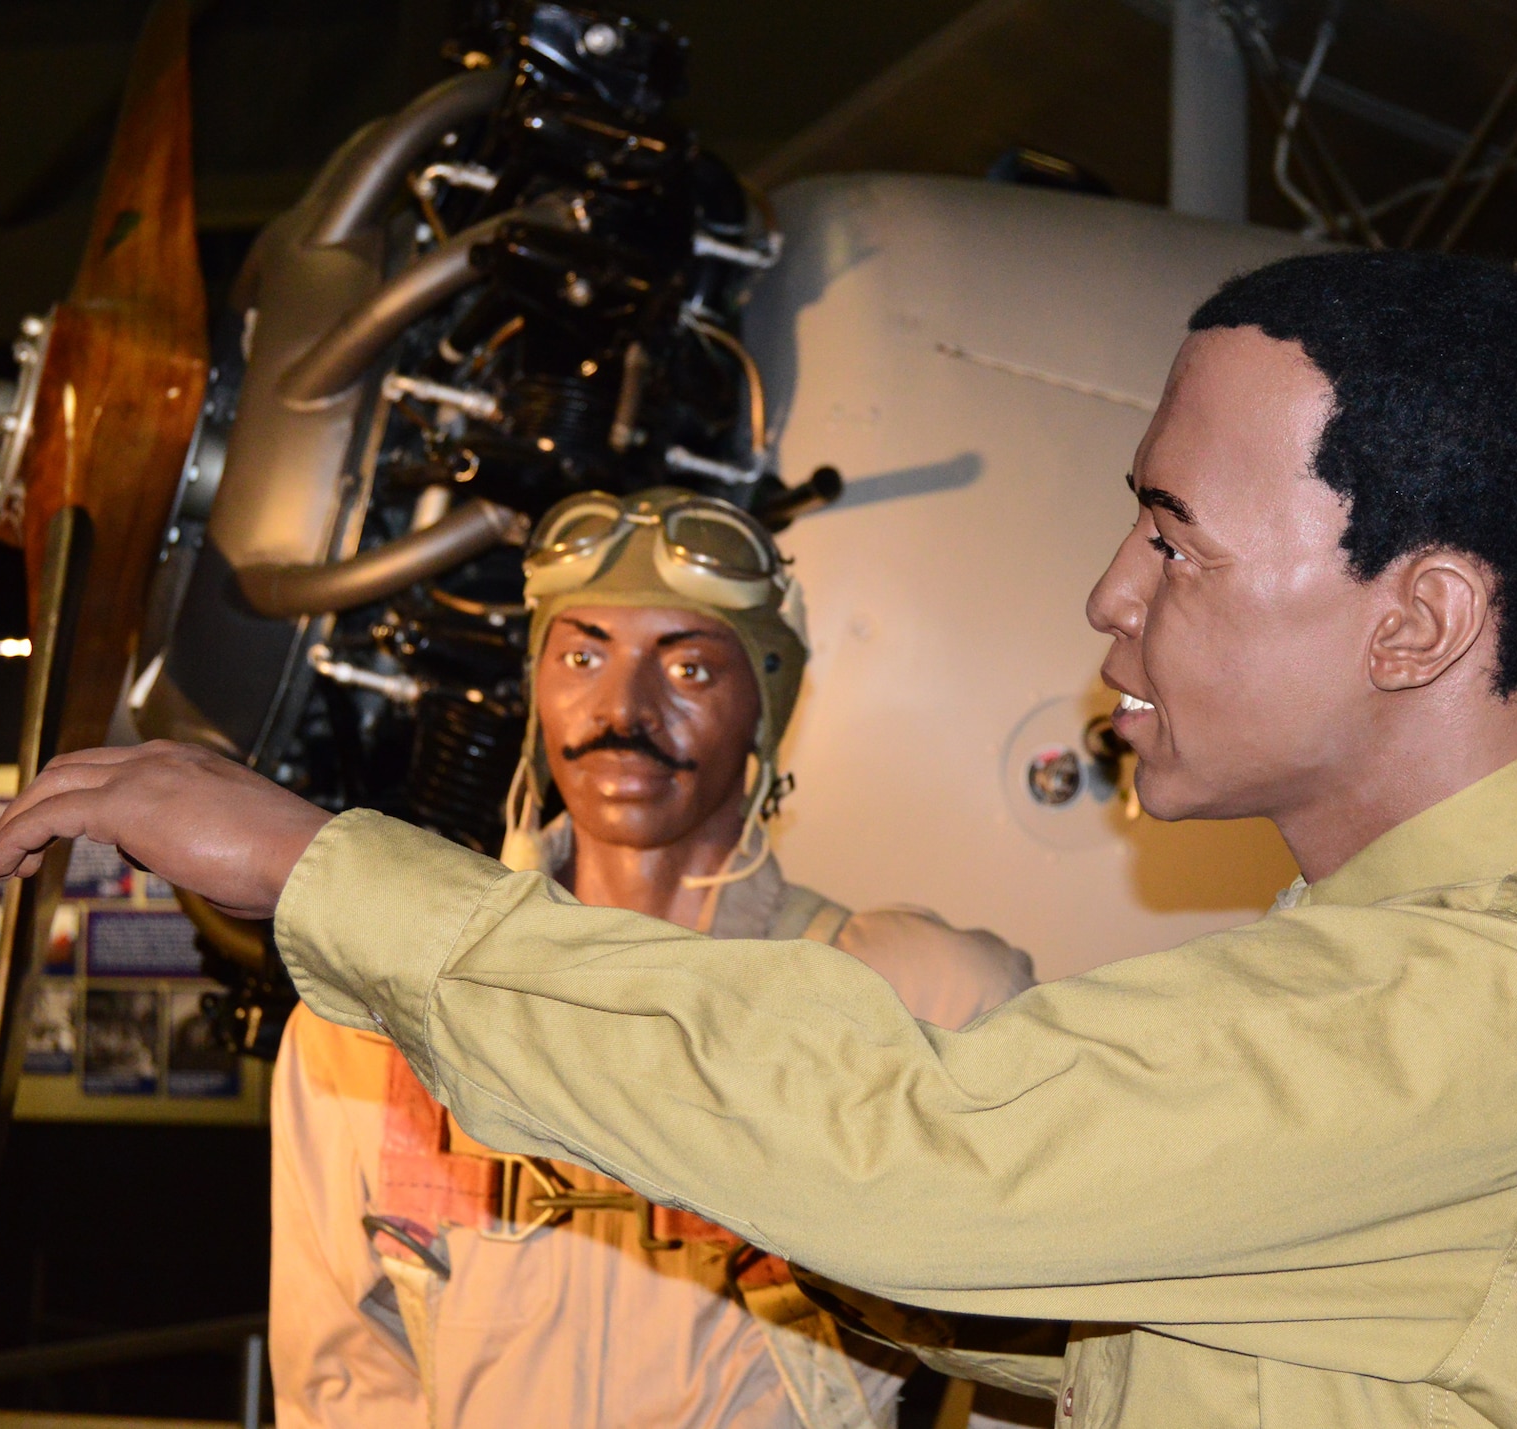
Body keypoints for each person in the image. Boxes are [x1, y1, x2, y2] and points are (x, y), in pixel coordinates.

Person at [0, 251, 1517, 1428]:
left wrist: (319, 864)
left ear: (1419, 618)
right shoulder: (1476, 960)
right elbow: (1063, 1299)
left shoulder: (1503, 995)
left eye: (1174, 537)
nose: (1106, 596)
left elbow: (929, 1150)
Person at [268, 487, 1036, 1428]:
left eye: (690, 669)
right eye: (581, 656)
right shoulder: (376, 1025)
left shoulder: (919, 1002)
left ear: (766, 705)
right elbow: (339, 1379)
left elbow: (1028, 1355)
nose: (621, 708)